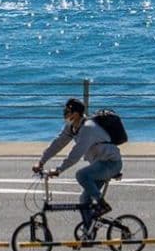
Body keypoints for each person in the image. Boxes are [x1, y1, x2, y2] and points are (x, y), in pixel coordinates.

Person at [33, 98, 123, 229]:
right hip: (98, 165)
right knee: (84, 200)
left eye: (67, 111)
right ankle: (88, 232)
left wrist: (59, 169)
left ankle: (102, 205)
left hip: (110, 163)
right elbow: (58, 143)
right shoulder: (72, 127)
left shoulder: (88, 128)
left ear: (75, 114)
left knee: (81, 175)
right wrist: (41, 161)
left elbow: (76, 154)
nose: (64, 113)